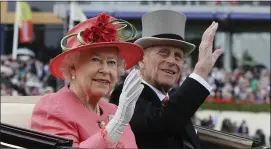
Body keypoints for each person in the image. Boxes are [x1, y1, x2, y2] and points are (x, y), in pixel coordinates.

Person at [109, 10, 223, 148]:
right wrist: (200, 72)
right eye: (164, 53)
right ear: (141, 60)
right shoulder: (126, 94)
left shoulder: (174, 101)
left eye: (178, 57)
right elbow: (162, 124)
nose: (172, 61)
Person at [31, 13, 145, 148]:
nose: (105, 70)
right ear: (73, 68)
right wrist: (117, 125)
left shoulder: (114, 110)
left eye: (112, 62)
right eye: (95, 60)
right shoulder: (51, 107)